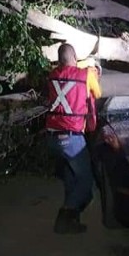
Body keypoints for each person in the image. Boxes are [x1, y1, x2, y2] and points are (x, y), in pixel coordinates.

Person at [45, 43, 102, 234]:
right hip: (72, 140)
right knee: (86, 183)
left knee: (71, 178)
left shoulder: (52, 75)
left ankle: (72, 222)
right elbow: (97, 93)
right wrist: (93, 70)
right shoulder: (86, 76)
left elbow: (67, 72)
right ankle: (65, 214)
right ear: (75, 58)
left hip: (52, 138)